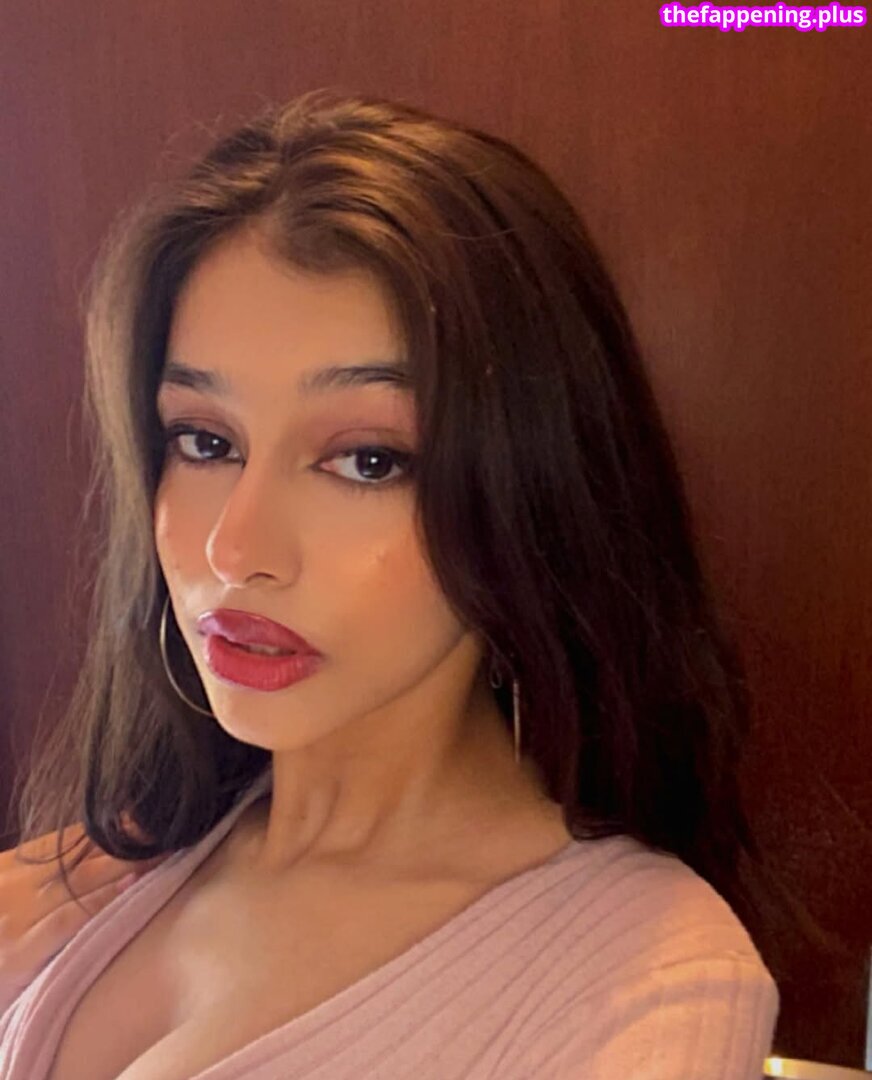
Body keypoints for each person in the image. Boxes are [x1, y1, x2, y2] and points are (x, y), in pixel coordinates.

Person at [1, 87, 781, 1078]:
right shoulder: (95, 873)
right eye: (204, 441)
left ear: (530, 493)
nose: (235, 549)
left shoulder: (650, 982)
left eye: (366, 461)